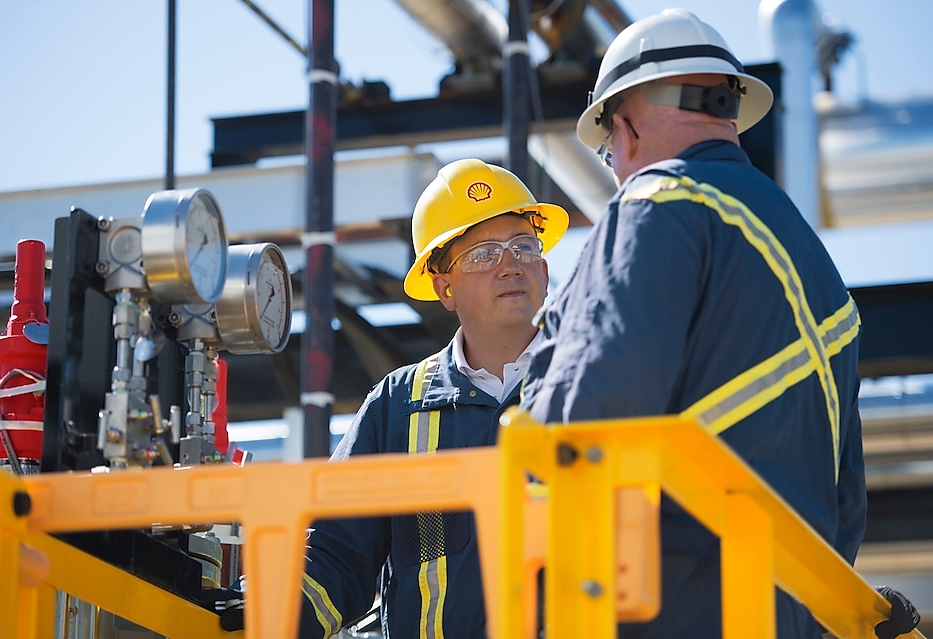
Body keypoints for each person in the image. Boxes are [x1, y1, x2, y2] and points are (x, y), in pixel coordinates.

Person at [519, 9, 866, 638]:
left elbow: (587, 420)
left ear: (621, 127)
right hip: (783, 613)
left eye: (605, 153)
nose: (615, 168)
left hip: (668, 606)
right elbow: (846, 505)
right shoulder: (822, 277)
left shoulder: (656, 204)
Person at [298, 158, 569, 637]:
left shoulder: (590, 380)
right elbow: (336, 553)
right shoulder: (397, 406)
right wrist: (261, 612)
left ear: (544, 270)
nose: (511, 266)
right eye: (484, 254)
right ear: (444, 288)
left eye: (524, 248)